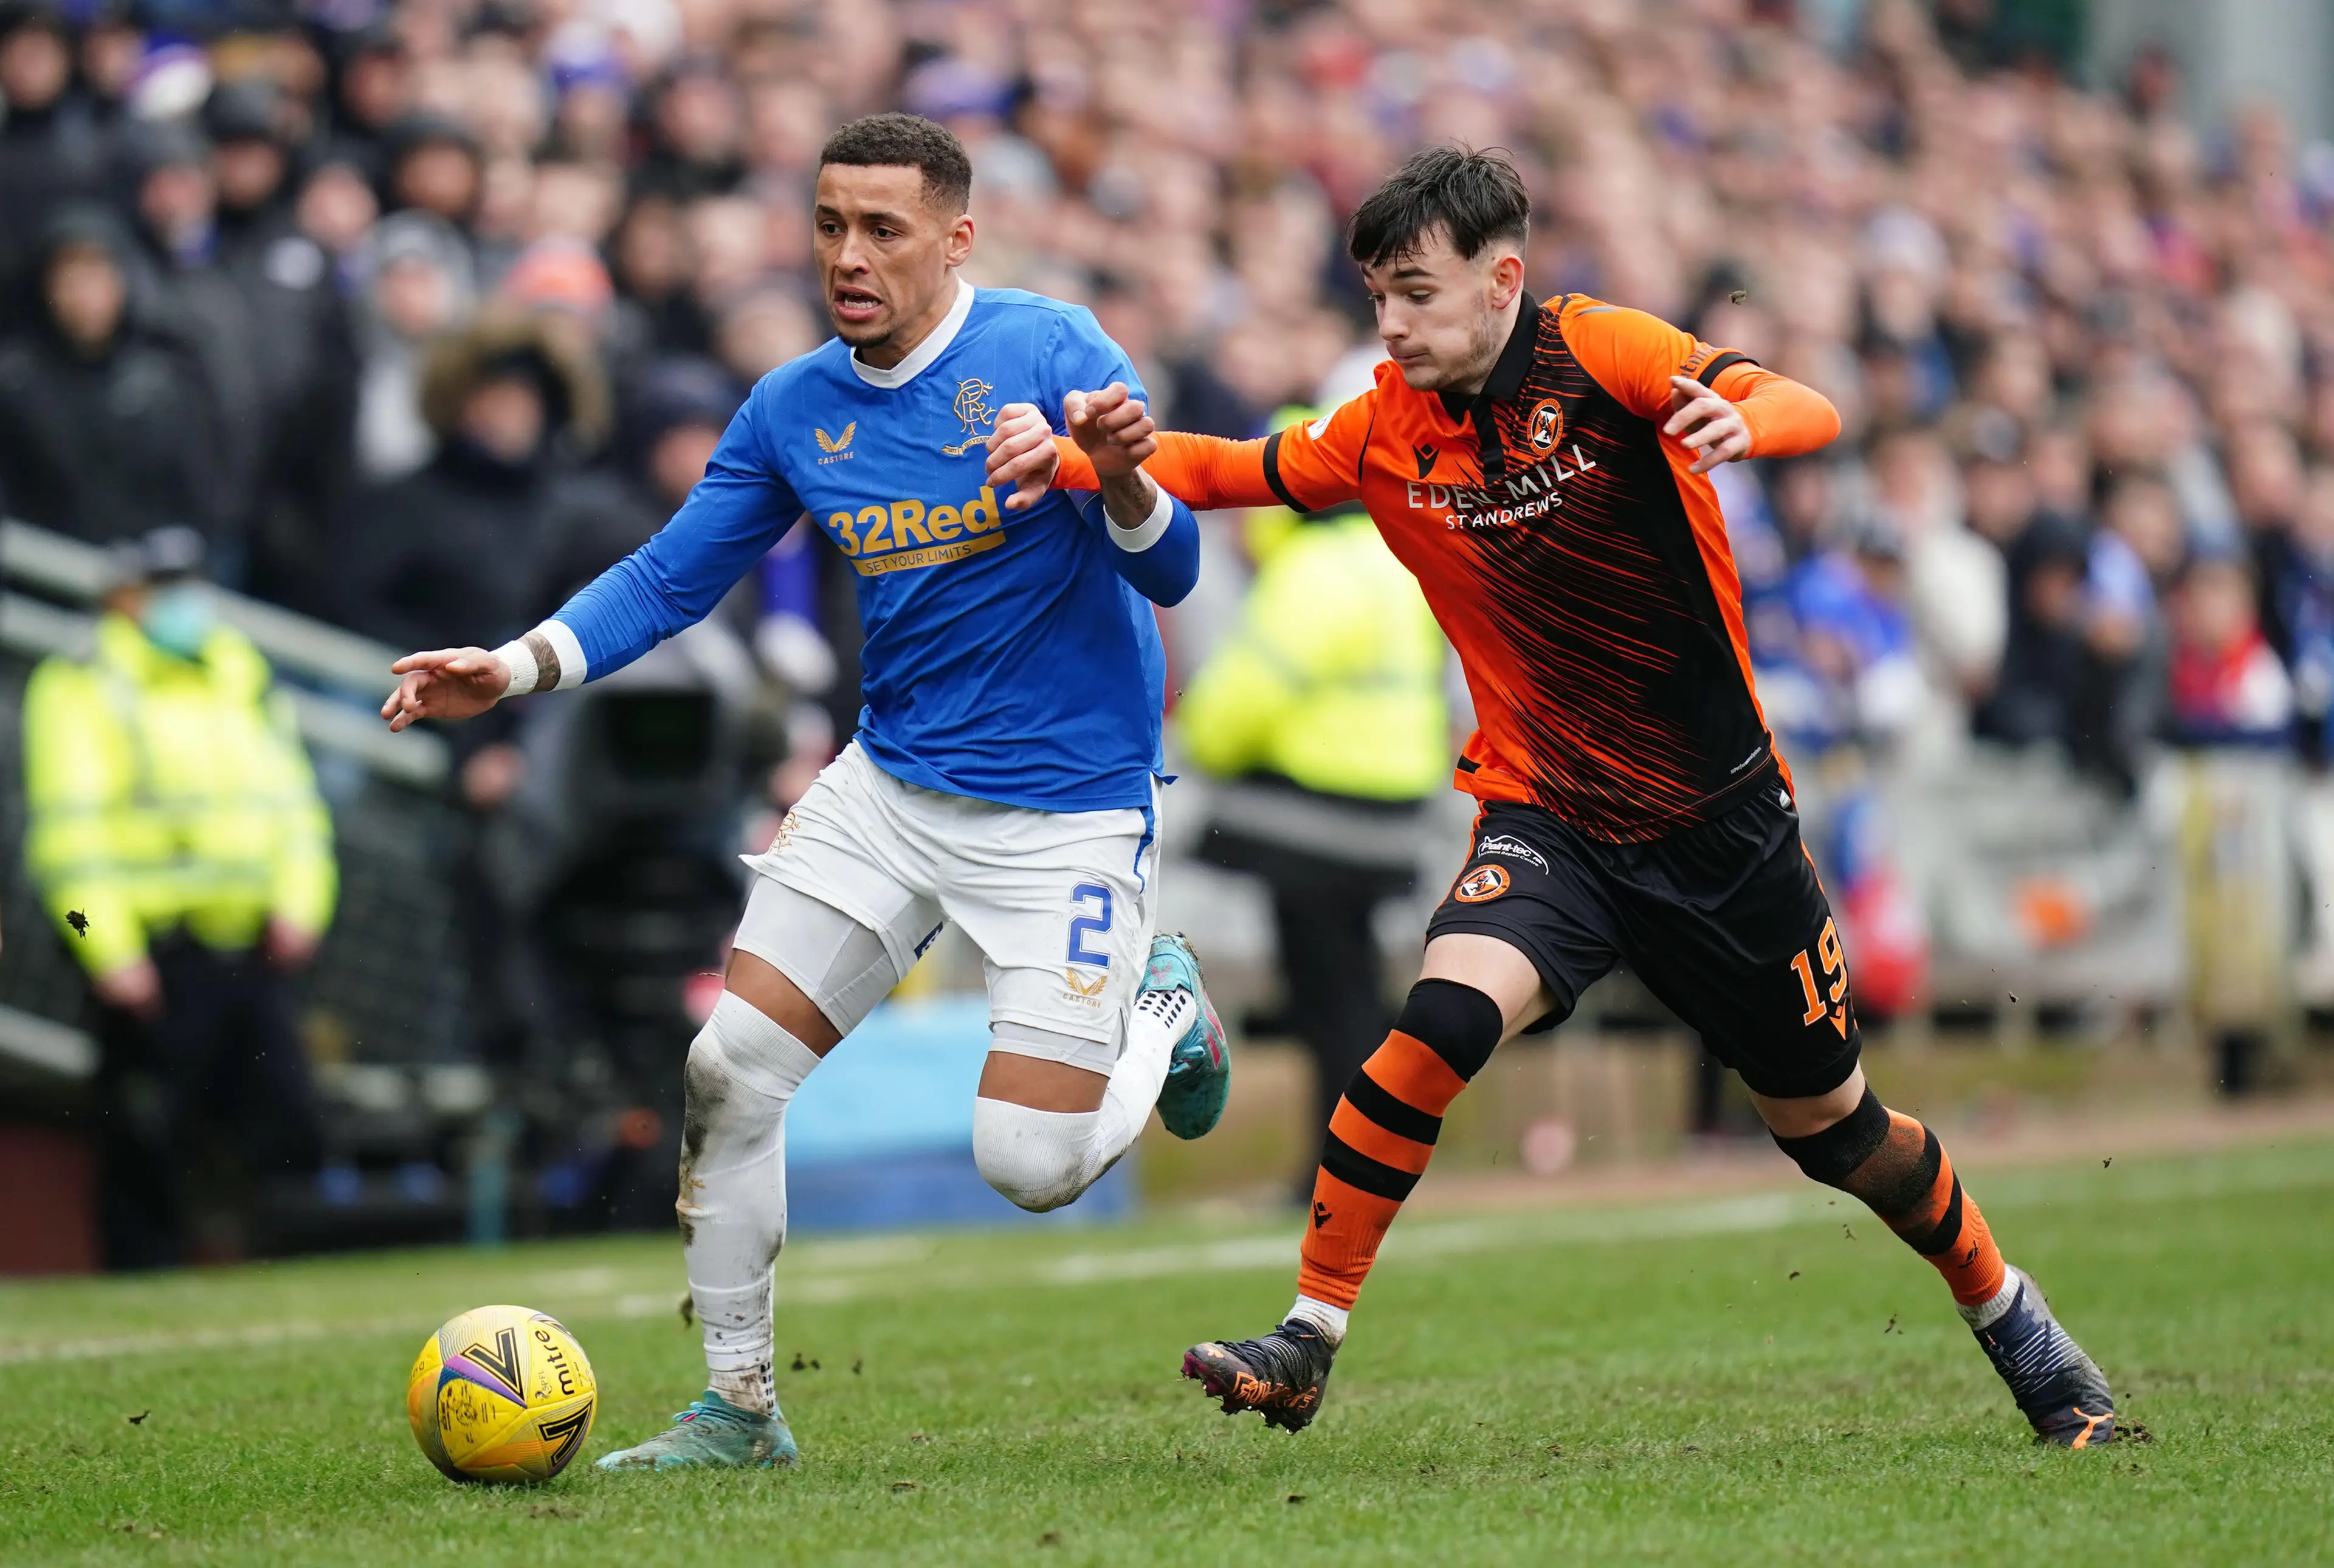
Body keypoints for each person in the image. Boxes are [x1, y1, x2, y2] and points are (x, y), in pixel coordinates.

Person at [1001, 145, 2117, 1449]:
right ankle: (1308, 1338)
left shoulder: (1608, 356)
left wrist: (1749, 420)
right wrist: (1072, 459)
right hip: (1550, 822)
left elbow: (1792, 399)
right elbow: (1232, 468)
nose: (1392, 324)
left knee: (1834, 1131)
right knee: (1430, 1031)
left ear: (1502, 280)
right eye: (1376, 299)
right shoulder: (1381, 430)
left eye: (1416, 293)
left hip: (1723, 833)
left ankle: (2017, 1323)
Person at [377, 113, 1231, 1471]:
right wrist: (519, 665)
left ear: (957, 239)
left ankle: (1165, 1006)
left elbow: (1173, 571)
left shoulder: (1051, 349)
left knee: (1030, 1166)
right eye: (829, 223)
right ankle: (739, 1409)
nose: (848, 253)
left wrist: (1119, 476)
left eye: (883, 229)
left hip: (1066, 811)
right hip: (891, 788)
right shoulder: (795, 407)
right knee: (730, 1069)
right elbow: (670, 577)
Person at [21, 526, 336, 1268]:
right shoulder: (81, 683)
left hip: (250, 946)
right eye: (163, 588)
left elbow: (294, 808)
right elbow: (68, 845)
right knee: (146, 1142)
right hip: (152, 962)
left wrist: (302, 903)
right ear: (122, 598)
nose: (183, 603)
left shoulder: (238, 670)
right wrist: (108, 949)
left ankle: (285, 1280)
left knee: (286, 1128)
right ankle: (144, 1286)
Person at [1171, 407, 1450, 1174]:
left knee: (1330, 1001)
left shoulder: (1315, 571)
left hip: (1319, 822)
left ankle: (1342, 1161)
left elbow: (1231, 715)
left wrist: (1201, 745)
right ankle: (1361, 1150)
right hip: (1392, 817)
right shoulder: (1392, 555)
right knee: (1351, 991)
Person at [0, 206, 222, 545]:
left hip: (139, 583)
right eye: (68, 278)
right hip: (37, 577)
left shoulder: (163, 381)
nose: (83, 295)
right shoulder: (17, 383)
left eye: (95, 275)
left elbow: (192, 497)